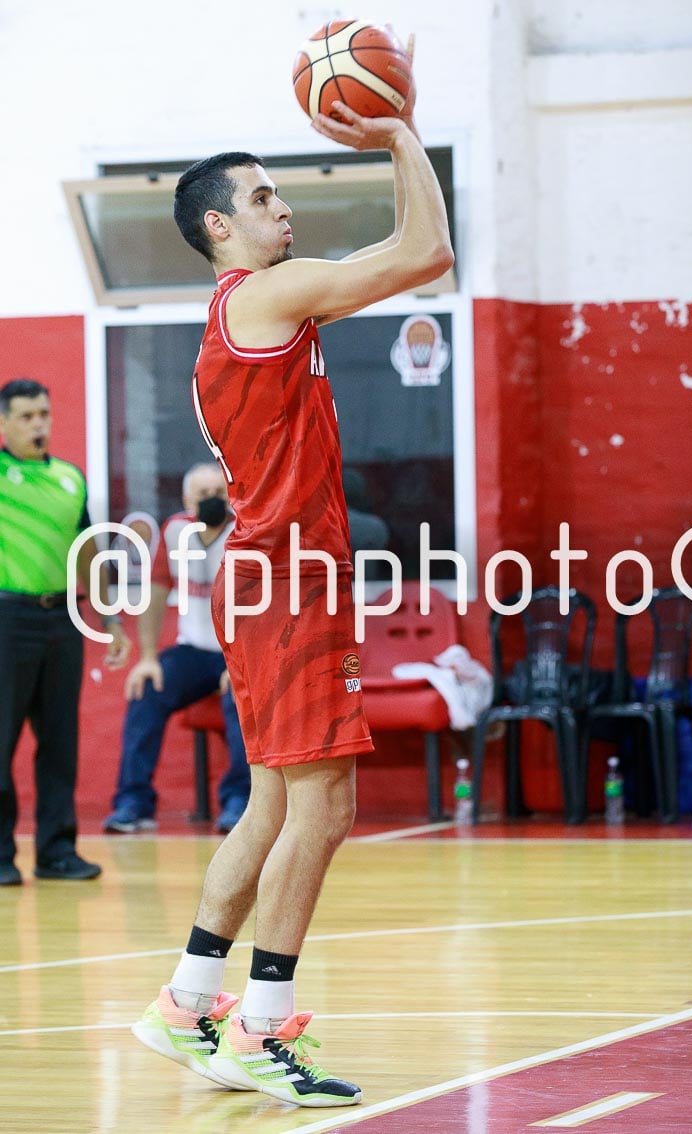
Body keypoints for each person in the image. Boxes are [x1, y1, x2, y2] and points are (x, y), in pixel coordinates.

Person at [131, 70, 453, 1107]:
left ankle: (187, 1003)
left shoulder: (246, 312)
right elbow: (426, 254)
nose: (286, 210)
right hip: (287, 585)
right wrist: (402, 134)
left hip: (266, 580)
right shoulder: (265, 293)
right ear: (222, 225)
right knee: (324, 805)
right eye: (266, 199)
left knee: (272, 804)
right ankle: (258, 1027)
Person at [0, 378, 131, 886]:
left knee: (59, 741)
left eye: (44, 414)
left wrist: (110, 618)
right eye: (27, 416)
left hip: (63, 621)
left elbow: (88, 552)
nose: (38, 424)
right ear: (5, 423)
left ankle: (56, 851)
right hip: (8, 620)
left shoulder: (70, 479)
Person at [103, 463, 251, 836]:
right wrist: (148, 657)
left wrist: (240, 664)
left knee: (240, 694)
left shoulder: (247, 533)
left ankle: (239, 801)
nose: (213, 500)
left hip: (242, 654)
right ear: (187, 500)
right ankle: (133, 803)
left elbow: (262, 605)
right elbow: (155, 594)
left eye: (220, 491)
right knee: (146, 689)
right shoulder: (174, 532)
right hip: (194, 651)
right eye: (203, 495)